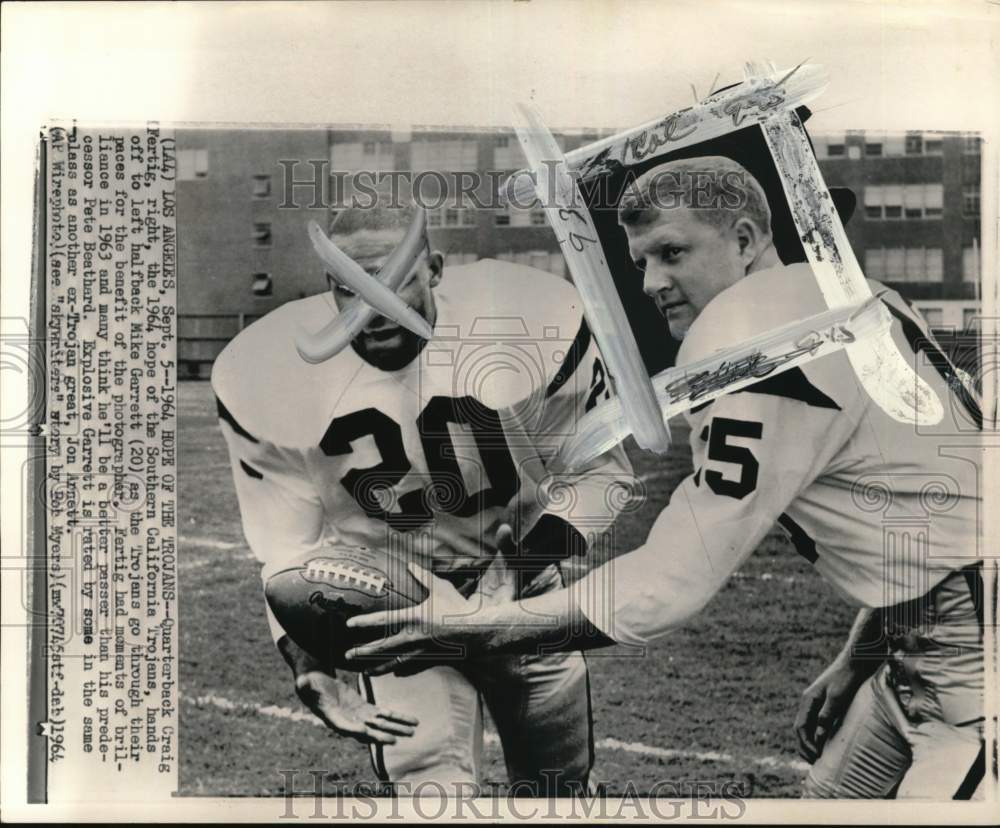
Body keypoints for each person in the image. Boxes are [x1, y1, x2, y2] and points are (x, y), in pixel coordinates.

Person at [347, 157, 985, 799]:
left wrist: (482, 625)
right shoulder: (848, 293)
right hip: (919, 648)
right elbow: (930, 518)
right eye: (641, 262)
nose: (652, 282)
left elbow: (672, 579)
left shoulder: (764, 334)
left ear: (743, 239)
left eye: (673, 252)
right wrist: (860, 657)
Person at [211, 200, 632, 794]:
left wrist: (526, 564)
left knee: (558, 787)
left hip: (522, 586)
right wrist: (310, 664)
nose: (372, 314)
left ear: (434, 267)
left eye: (392, 283)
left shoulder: (528, 319)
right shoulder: (267, 371)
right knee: (429, 788)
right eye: (348, 289)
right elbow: (287, 550)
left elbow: (601, 475)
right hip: (393, 597)